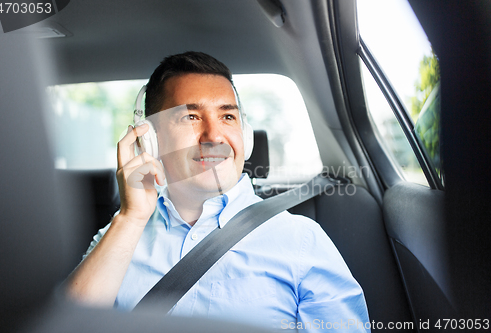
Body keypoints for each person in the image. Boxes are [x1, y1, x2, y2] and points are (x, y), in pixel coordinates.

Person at [66, 51, 370, 331]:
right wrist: (131, 219)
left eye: (227, 116)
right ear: (151, 141)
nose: (214, 135)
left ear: (244, 136)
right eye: (191, 117)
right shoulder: (118, 237)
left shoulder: (303, 241)